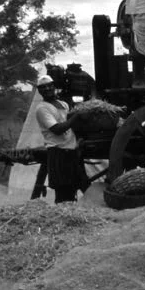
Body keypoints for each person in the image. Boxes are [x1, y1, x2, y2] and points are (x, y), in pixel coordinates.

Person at [34, 75, 87, 203]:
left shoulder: (63, 104)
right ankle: (63, 216)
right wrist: (76, 117)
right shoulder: (42, 108)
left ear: (54, 86)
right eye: (43, 87)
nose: (47, 89)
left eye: (49, 86)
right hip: (58, 152)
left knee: (77, 185)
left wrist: (79, 139)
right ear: (39, 91)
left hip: (71, 151)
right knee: (63, 192)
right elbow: (57, 129)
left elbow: (71, 127)